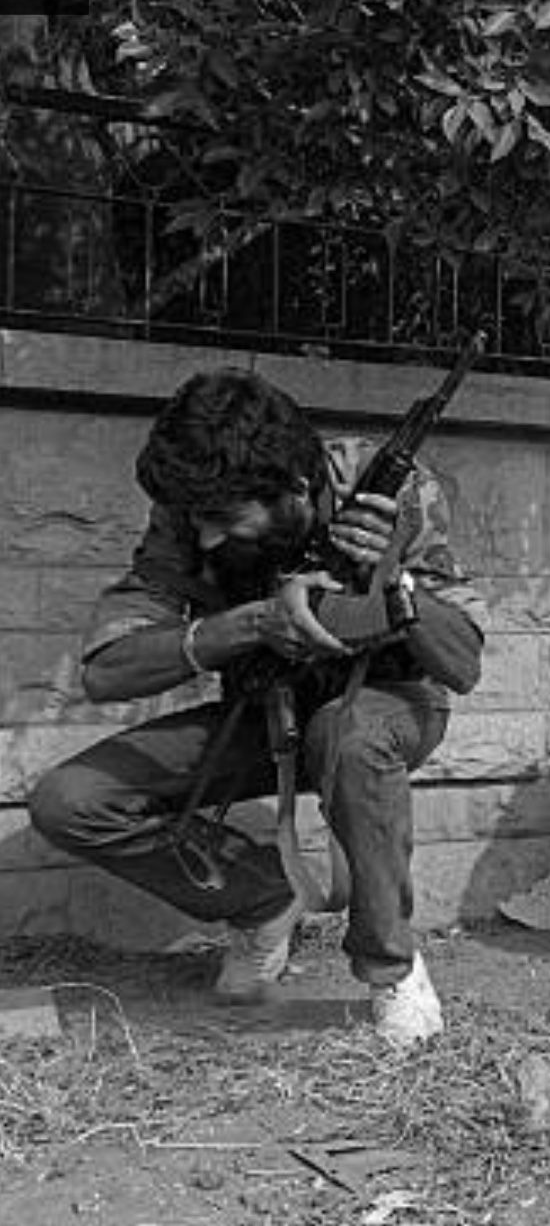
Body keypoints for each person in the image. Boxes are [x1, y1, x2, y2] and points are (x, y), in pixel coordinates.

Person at [29, 368, 486, 1046]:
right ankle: (261, 898)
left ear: (296, 492)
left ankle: (391, 970)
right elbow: (108, 667)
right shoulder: (193, 512)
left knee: (348, 734)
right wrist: (250, 625)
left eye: (224, 522)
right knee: (70, 799)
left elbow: (462, 663)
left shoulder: (388, 489)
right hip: (265, 711)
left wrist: (395, 581)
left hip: (386, 707)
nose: (208, 540)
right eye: (200, 523)